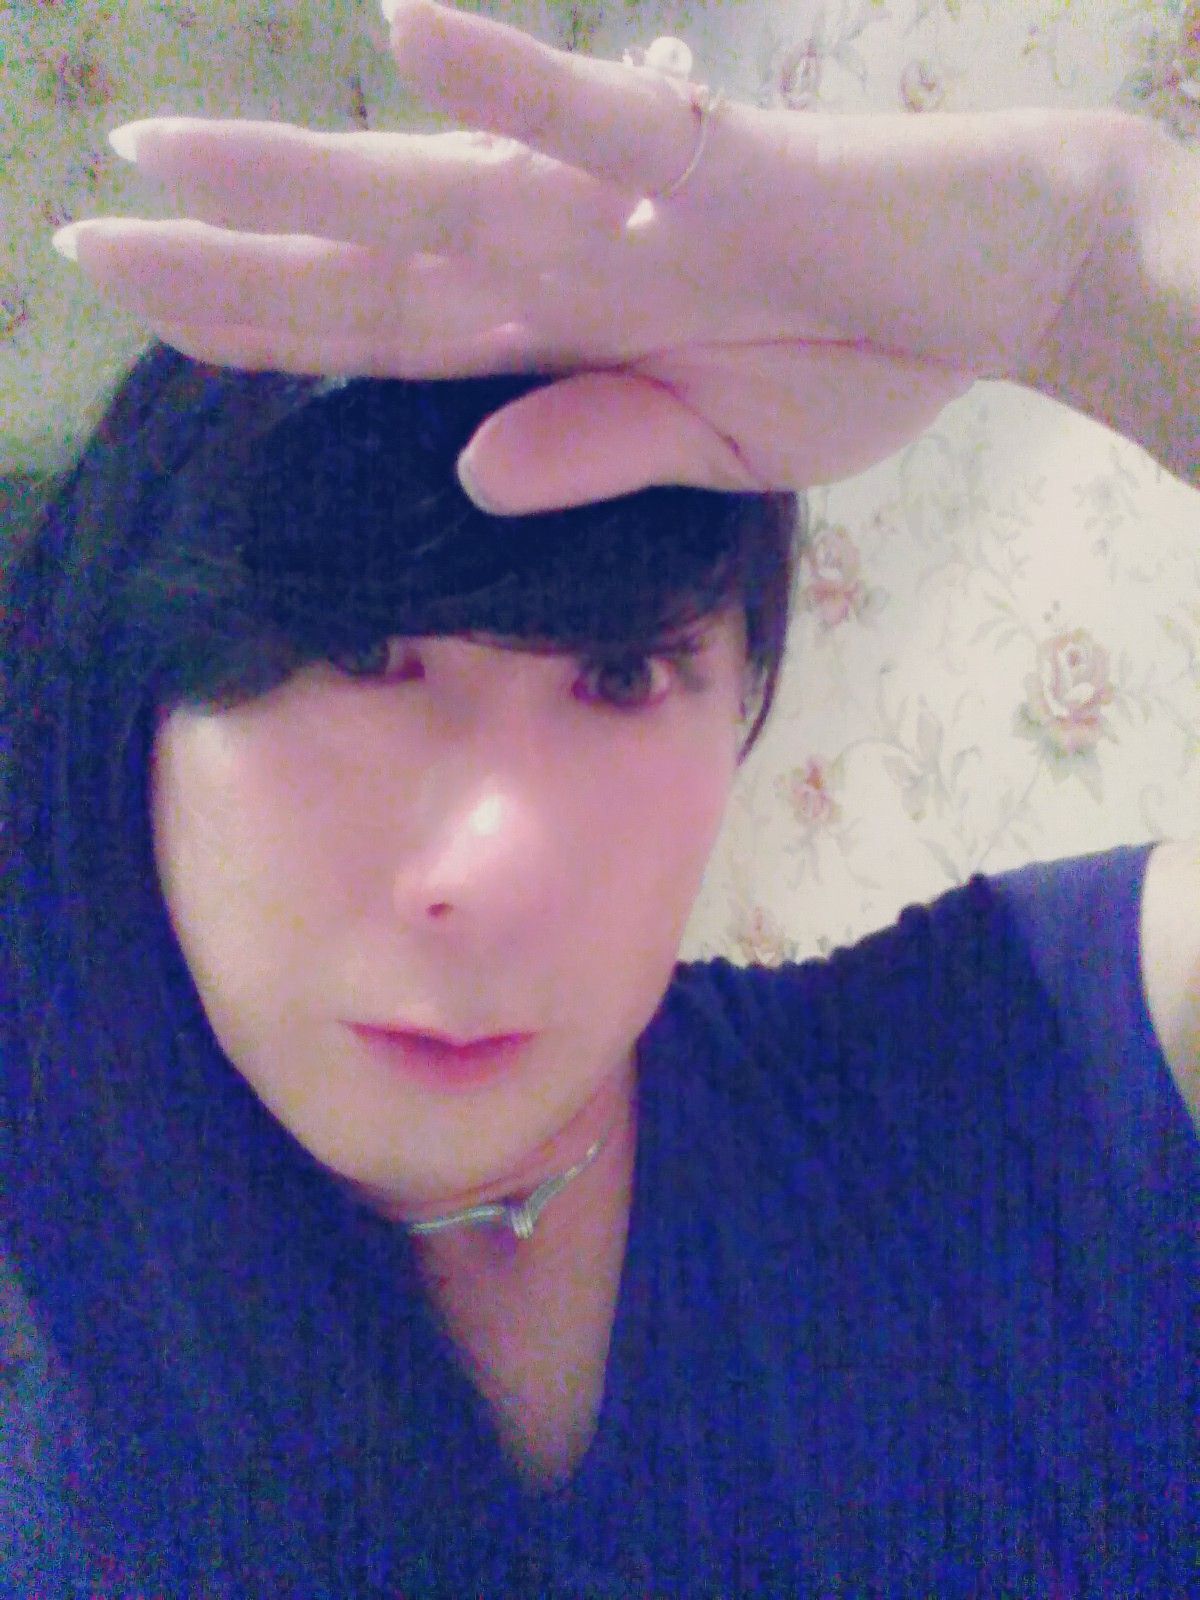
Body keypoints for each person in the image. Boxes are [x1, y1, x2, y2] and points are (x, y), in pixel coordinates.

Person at [5, 1, 1196, 1594]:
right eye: (355, 653)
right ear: (136, 708)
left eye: (624, 673)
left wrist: (1101, 263)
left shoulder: (1002, 1090)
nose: (496, 867)